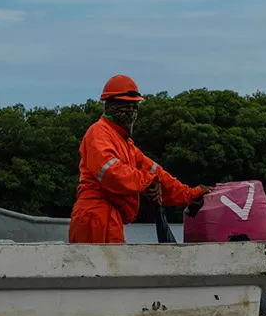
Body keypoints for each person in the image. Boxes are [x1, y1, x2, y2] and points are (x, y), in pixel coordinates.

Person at [68, 74, 211, 244]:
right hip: (93, 216)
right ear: (110, 105)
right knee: (96, 269)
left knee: (112, 269)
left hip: (110, 217)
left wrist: (191, 193)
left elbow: (157, 174)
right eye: (125, 105)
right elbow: (110, 173)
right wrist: (147, 182)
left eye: (134, 106)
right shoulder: (98, 133)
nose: (131, 111)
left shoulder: (126, 144)